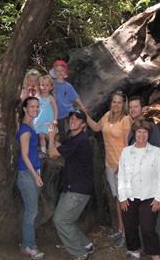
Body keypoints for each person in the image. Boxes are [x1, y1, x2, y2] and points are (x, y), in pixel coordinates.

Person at [86, 90, 132, 247]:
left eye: (119, 102)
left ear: (123, 104)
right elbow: (96, 128)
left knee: (123, 200)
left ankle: (127, 234)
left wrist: (122, 165)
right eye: (114, 102)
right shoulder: (107, 115)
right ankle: (120, 229)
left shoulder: (126, 120)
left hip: (121, 166)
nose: (116, 105)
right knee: (117, 199)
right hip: (109, 164)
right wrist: (85, 114)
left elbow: (127, 145)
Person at [48, 109, 95, 260]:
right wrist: (51, 134)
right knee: (67, 220)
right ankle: (86, 245)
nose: (73, 120)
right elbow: (60, 146)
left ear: (83, 124)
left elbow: (53, 154)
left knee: (61, 220)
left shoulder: (80, 140)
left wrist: (49, 138)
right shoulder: (74, 138)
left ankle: (80, 254)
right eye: (72, 118)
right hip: (73, 186)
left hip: (77, 189)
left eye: (77, 119)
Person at [118, 119, 160, 260]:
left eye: (145, 132)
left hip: (149, 197)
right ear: (134, 133)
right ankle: (134, 252)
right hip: (129, 197)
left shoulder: (156, 152)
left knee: (148, 229)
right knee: (130, 227)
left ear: (149, 134)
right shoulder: (126, 152)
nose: (142, 135)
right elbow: (121, 175)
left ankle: (155, 255)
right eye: (139, 132)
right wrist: (122, 197)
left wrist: (158, 198)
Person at [127, 96, 160, 256]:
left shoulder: (150, 128)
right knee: (141, 220)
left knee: (152, 222)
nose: (132, 110)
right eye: (130, 107)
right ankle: (147, 251)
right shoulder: (132, 130)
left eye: (135, 107)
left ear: (141, 108)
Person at [16, 97, 45, 260]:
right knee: (31, 211)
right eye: (32, 106)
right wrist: (36, 176)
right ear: (25, 109)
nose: (36, 109)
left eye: (37, 106)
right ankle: (29, 246)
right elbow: (25, 155)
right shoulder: (26, 129)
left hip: (31, 172)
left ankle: (28, 243)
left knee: (31, 210)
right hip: (27, 174)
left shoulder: (28, 125)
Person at [52, 59, 87, 141]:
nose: (60, 73)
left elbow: (75, 97)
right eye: (57, 71)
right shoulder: (52, 85)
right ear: (54, 72)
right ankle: (64, 147)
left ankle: (73, 144)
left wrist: (82, 106)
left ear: (65, 72)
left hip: (68, 112)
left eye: (62, 71)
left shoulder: (68, 86)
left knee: (70, 129)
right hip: (58, 114)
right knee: (61, 132)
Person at [33, 75, 58, 157]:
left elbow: (55, 109)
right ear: (39, 86)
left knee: (50, 137)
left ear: (51, 87)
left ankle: (55, 151)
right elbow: (34, 108)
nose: (44, 87)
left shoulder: (51, 98)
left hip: (48, 120)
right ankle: (43, 152)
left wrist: (55, 119)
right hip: (39, 120)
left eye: (47, 85)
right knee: (41, 136)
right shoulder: (37, 97)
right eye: (42, 85)